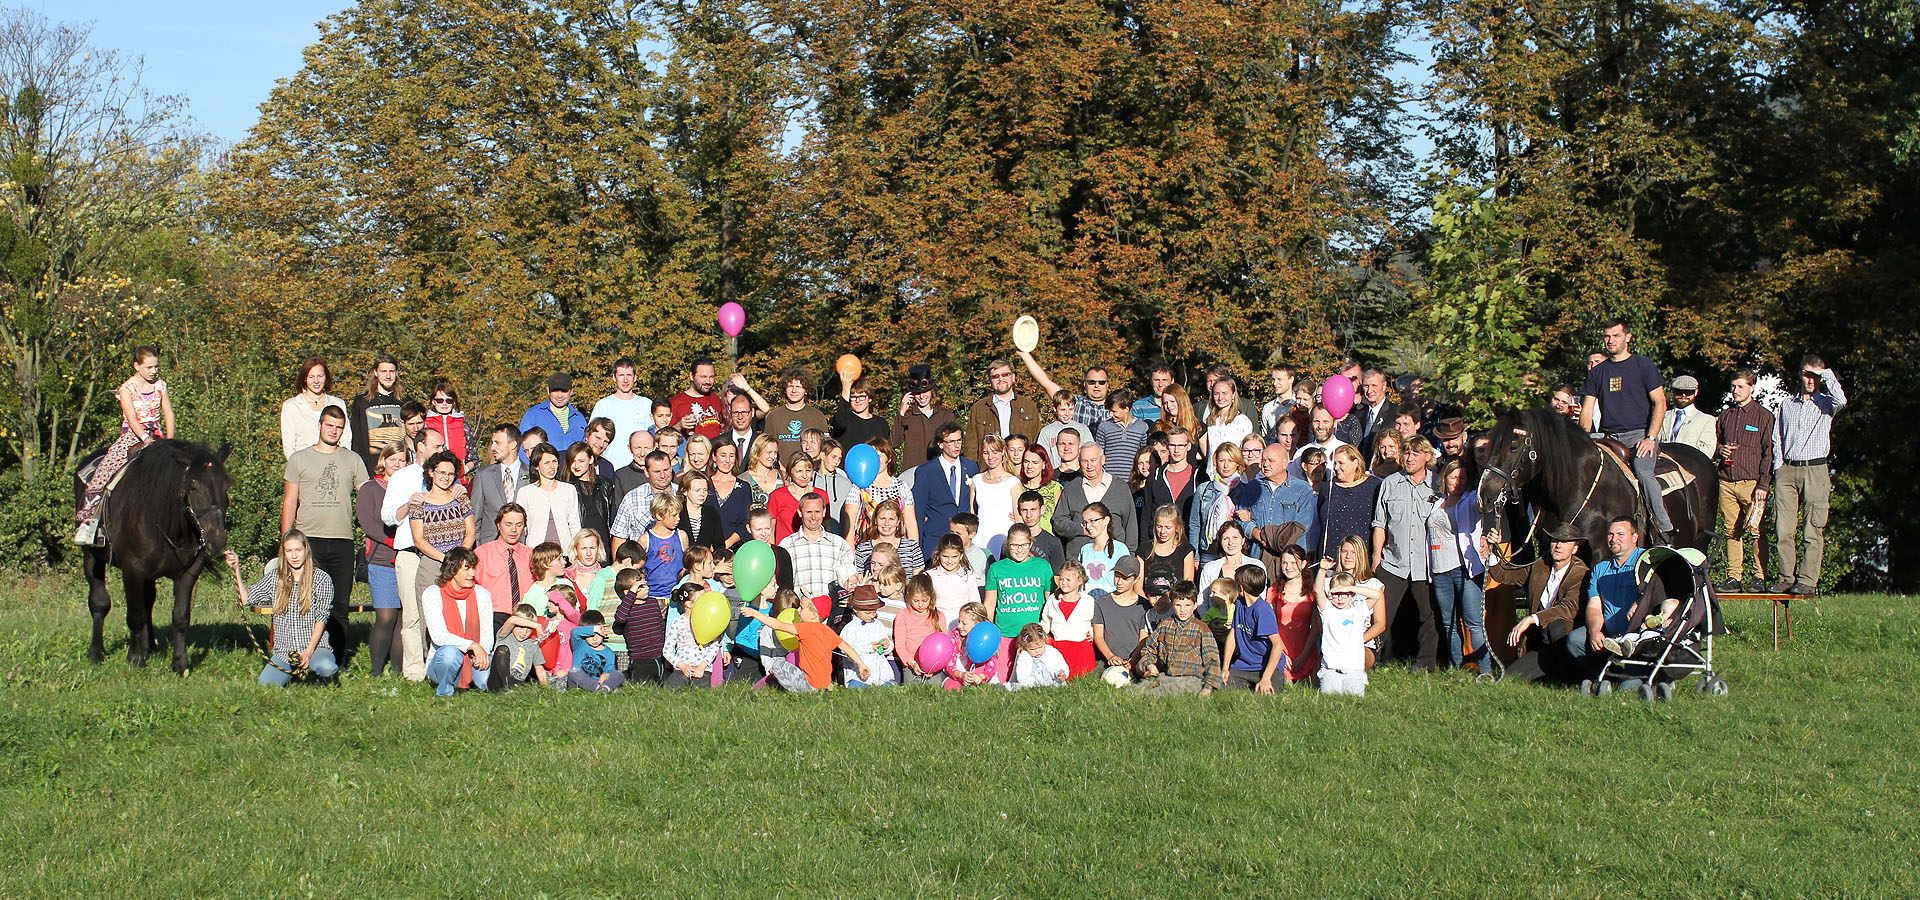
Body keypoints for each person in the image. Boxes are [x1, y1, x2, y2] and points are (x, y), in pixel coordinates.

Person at [278, 404, 367, 660]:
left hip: (342, 541)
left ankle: (335, 660)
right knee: (305, 603)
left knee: (339, 605)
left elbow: (368, 497)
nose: (333, 431)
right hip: (308, 541)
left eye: (339, 427)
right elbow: (289, 502)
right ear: (319, 425)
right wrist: (286, 542)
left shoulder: (352, 460)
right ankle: (298, 657)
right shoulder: (300, 459)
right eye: (329, 425)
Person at [1580, 318, 1674, 538]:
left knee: (1643, 472)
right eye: (1607, 336)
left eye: (1616, 336)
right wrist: (1583, 439)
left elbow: (1660, 402)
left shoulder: (1644, 366)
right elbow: (1587, 410)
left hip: (1639, 435)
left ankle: (1664, 527)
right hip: (1607, 437)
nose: (1610, 340)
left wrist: (1650, 437)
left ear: (1628, 337)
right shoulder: (1597, 372)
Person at [75, 346, 177, 544]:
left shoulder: (160, 386)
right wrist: (144, 439)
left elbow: (169, 413)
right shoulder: (126, 389)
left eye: (156, 367)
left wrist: (170, 441)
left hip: (157, 435)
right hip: (132, 436)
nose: (153, 371)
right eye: (149, 367)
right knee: (104, 469)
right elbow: (131, 418)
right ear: (136, 366)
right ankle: (88, 523)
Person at [1772, 355, 1846, 594]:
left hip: (1815, 469)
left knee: (1812, 528)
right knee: (1783, 528)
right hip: (1787, 470)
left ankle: (1807, 581)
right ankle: (1785, 577)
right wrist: (1778, 467)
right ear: (1799, 374)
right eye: (1807, 374)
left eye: (1815, 376)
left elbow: (1842, 399)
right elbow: (1777, 437)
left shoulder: (1826, 403)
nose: (1811, 380)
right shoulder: (1786, 404)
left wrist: (1825, 373)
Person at [226, 533, 340, 687]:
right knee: (265, 686)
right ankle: (294, 675)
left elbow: (321, 619)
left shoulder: (321, 579)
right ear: (283, 553)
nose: (294, 556)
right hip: (284, 653)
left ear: (306, 550)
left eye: (298, 550)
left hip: (315, 648)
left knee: (327, 668)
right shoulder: (275, 578)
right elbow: (247, 599)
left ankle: (320, 679)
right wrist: (236, 569)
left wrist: (308, 652)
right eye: (289, 551)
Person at [1481, 525, 1589, 683]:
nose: (1558, 545)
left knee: (1556, 626)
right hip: (1543, 644)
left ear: (1574, 549)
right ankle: (1551, 673)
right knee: (1511, 678)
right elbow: (1504, 574)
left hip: (1566, 642)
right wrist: (1494, 548)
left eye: (1565, 542)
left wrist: (1530, 619)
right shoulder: (1541, 565)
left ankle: (1572, 679)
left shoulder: (1581, 572)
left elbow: (1568, 609)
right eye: (1555, 540)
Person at [1372, 435, 1439, 670]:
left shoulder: (1437, 485)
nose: (1409, 458)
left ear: (1427, 457)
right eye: (1406, 453)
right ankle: (1378, 658)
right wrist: (1375, 556)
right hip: (1393, 561)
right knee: (1383, 613)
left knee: (1426, 614)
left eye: (1415, 454)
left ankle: (1425, 662)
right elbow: (1380, 523)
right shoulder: (1390, 483)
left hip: (1426, 563)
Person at [1565, 517, 1650, 679]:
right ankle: (1610, 677)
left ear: (1634, 537)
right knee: (1575, 640)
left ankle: (1641, 676)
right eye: (1610, 535)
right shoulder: (1600, 569)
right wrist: (1595, 630)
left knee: (1630, 689)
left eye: (1620, 534)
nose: (1614, 539)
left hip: (1639, 638)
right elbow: (1594, 607)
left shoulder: (1647, 562)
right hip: (1610, 636)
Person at [1715, 369, 1775, 592]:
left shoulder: (1763, 416)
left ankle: (1759, 577)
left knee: (1756, 530)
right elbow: (1715, 444)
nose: (1735, 391)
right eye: (1733, 386)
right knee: (1732, 530)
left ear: (1751, 388)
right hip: (1727, 481)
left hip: (1752, 483)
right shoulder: (1725, 415)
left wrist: (1763, 484)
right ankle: (1734, 577)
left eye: (1740, 386)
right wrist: (1720, 450)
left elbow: (1769, 452)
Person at [357, 442, 410, 677]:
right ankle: (376, 670)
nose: (397, 465)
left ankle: (398, 671)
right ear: (384, 461)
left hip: (407, 559)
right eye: (393, 459)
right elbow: (369, 525)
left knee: (402, 620)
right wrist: (393, 543)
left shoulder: (411, 488)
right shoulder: (371, 488)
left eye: (402, 460)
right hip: (381, 559)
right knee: (386, 616)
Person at [1429, 460, 1487, 672]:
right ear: (1445, 478)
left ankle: (1486, 669)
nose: (1458, 482)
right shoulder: (1437, 502)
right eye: (1454, 477)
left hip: (1464, 569)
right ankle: (1455, 667)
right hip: (1439, 569)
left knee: (1473, 623)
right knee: (1449, 623)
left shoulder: (1470, 499)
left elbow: (1483, 504)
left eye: (1463, 478)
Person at [742, 600, 872, 692]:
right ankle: (824, 688)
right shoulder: (828, 631)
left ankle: (790, 690)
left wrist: (754, 613)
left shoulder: (806, 628)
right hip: (824, 684)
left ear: (814, 615)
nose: (798, 610)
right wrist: (860, 664)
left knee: (777, 665)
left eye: (802, 608)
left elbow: (779, 625)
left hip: (808, 684)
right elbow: (847, 647)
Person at [407, 450, 478, 616]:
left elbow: (471, 532)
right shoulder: (419, 504)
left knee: (460, 616)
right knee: (431, 617)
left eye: (451, 474)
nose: (446, 477)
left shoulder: (461, 499)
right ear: (431, 473)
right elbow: (419, 540)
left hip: (461, 565)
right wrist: (445, 559)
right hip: (432, 565)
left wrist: (458, 560)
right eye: (442, 473)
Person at [421, 547, 497, 695]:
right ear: (453, 571)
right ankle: (444, 691)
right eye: (466, 569)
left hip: (474, 656)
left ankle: (478, 680)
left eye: (473, 568)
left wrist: (481, 652)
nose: (472, 574)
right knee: (450, 654)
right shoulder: (432, 594)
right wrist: (471, 645)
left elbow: (487, 633)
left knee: (487, 680)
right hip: (445, 658)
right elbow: (439, 636)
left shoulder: (482, 594)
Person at [1132, 581, 1221, 695]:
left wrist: (1208, 688)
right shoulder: (1165, 625)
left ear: (1195, 605)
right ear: (1172, 604)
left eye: (1187, 605)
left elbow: (1212, 660)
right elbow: (1148, 649)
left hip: (1192, 680)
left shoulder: (1201, 629)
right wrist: (1149, 665)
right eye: (1178, 605)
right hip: (1168, 676)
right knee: (1135, 691)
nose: (1183, 610)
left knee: (1155, 694)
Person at [1315, 535, 1387, 669]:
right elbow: (1319, 620)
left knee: (1353, 662)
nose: (1348, 556)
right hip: (1333, 642)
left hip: (1362, 643)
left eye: (1353, 552)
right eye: (1344, 551)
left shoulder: (1373, 584)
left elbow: (1380, 624)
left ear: (1360, 555)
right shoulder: (1326, 583)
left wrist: (1357, 641)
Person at [1054, 443, 1138, 555]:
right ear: (1079, 463)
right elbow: (1058, 522)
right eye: (1085, 461)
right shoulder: (1071, 489)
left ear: (1103, 460)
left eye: (1093, 460)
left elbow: (1130, 525)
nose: (1089, 466)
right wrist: (1081, 529)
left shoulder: (1121, 487)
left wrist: (1129, 556)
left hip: (1113, 557)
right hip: (1079, 560)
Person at [909, 422, 978, 547]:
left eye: (959, 440)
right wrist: (916, 546)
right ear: (940, 444)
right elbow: (918, 511)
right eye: (951, 442)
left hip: (965, 540)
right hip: (936, 538)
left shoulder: (972, 467)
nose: (956, 445)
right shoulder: (926, 471)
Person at [962, 358, 1042, 466]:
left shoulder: (1028, 406)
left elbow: (1037, 439)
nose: (1001, 379)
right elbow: (971, 446)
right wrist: (971, 471)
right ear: (990, 381)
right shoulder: (979, 408)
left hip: (1022, 469)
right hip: (989, 469)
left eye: (1005, 375)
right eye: (995, 376)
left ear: (1013, 377)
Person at [1015, 348, 1113, 433]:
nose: (1096, 385)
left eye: (1101, 382)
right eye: (1091, 382)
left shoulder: (1117, 407)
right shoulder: (1074, 402)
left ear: (1107, 385)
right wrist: (1025, 355)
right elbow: (1046, 382)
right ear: (1085, 384)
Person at [1248, 442, 1317, 560]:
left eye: (1271, 460)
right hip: (1258, 556)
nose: (1265, 464)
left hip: (1289, 559)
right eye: (1263, 460)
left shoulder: (1302, 490)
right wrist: (1257, 534)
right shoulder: (1252, 487)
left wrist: (1269, 538)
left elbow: (1301, 526)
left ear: (1285, 464)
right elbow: (1240, 519)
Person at [1220, 565, 1282, 693]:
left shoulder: (1263, 610)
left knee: (1268, 694)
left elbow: (1278, 645)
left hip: (1265, 666)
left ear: (1241, 588)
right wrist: (1225, 667)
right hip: (1243, 666)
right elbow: (1233, 635)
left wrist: (1266, 678)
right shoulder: (1239, 605)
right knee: (1220, 688)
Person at [781, 493, 854, 599]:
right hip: (799, 611)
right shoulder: (787, 545)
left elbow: (849, 580)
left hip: (832, 610)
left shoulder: (839, 544)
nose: (813, 517)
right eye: (809, 512)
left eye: (817, 512)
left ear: (824, 512)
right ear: (800, 512)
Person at [474, 505, 533, 632]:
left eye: (519, 525)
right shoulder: (482, 554)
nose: (514, 530)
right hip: (493, 617)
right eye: (508, 524)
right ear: (498, 525)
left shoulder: (531, 555)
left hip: (525, 618)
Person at [280, 357, 352, 461]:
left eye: (320, 376)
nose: (316, 381)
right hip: (304, 467)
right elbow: (289, 445)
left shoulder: (338, 403)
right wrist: (297, 468)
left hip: (333, 465)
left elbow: (346, 439)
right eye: (311, 377)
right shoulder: (291, 406)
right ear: (305, 378)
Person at [1187, 444, 1248, 565]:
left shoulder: (1245, 490)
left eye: (1230, 461)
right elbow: (1195, 524)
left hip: (1235, 552)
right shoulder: (1203, 489)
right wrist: (1195, 556)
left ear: (1237, 463)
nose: (1226, 465)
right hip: (1209, 552)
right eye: (1222, 460)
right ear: (1216, 462)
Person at [891, 364, 961, 469]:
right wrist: (901, 412)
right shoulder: (907, 416)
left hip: (940, 471)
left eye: (925, 392)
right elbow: (893, 443)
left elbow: (955, 445)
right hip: (914, 473)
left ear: (932, 391)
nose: (922, 396)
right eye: (918, 393)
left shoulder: (946, 415)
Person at [985, 524, 1052, 633]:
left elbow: (1051, 601)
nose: (1019, 550)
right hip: (1005, 633)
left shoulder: (1043, 566)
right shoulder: (996, 568)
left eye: (1024, 545)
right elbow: (990, 603)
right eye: (1014, 545)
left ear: (1031, 544)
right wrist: (989, 630)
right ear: (1007, 545)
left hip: (1035, 634)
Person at [1318, 445, 1381, 560]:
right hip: (1330, 559)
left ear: (1355, 463)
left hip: (1360, 559)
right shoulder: (1328, 487)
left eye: (1341, 463)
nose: (1336, 467)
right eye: (1334, 463)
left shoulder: (1374, 486)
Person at [1091, 558, 1150, 681]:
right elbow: (1098, 636)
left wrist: (1132, 661)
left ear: (1136, 579)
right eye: (1117, 576)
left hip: (1134, 660)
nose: (1119, 582)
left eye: (1125, 578)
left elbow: (1143, 638)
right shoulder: (1101, 602)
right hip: (1107, 659)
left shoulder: (1144, 605)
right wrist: (1110, 657)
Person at [611, 450, 677, 556]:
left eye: (666, 470)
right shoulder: (632, 498)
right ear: (646, 472)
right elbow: (619, 537)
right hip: (641, 564)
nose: (663, 475)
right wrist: (621, 569)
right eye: (657, 471)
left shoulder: (681, 495)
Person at [1268, 545, 1318, 684]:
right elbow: (1270, 626)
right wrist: (1281, 653)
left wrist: (1303, 657)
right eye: (1284, 563)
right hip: (1280, 648)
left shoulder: (1313, 592)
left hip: (1306, 649)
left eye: (1293, 563)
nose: (1288, 567)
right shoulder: (1273, 591)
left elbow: (1315, 628)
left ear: (1303, 563)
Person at [590, 358, 653, 470]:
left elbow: (655, 436)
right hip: (610, 469)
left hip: (640, 470)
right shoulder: (603, 405)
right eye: (621, 375)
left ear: (635, 377)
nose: (625, 380)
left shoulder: (646, 404)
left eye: (629, 375)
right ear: (614, 377)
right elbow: (592, 440)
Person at [1315, 573, 1371, 696]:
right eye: (1336, 594)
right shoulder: (1328, 610)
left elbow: (1376, 595)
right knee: (1330, 696)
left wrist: (1350, 588)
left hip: (1354, 670)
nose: (1340, 598)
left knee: (1354, 698)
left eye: (1345, 594)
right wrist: (1322, 569)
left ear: (1352, 595)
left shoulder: (1358, 609)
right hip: (1331, 670)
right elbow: (1318, 590)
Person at [349, 352, 406, 472]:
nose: (388, 376)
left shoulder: (406, 402)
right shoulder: (362, 402)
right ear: (376, 373)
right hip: (371, 469)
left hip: (401, 469)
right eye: (384, 371)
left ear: (396, 373)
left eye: (392, 371)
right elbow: (357, 441)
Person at [472, 424, 527, 545]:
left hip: (523, 544)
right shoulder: (483, 475)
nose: (493, 447)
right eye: (492, 442)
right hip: (489, 544)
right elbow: (475, 516)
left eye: (497, 443)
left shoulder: (531, 474)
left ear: (513, 444)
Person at [969, 434, 1021, 554]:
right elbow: (972, 514)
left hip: (1003, 535)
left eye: (995, 452)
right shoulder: (976, 480)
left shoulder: (1013, 482)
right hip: (980, 537)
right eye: (986, 453)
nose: (990, 457)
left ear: (1003, 452)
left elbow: (1019, 519)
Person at [836, 586, 897, 687]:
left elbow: (886, 649)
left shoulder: (878, 625)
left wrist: (887, 645)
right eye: (868, 613)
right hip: (858, 676)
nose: (872, 615)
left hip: (881, 673)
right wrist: (869, 647)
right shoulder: (850, 629)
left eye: (874, 612)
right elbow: (846, 653)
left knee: (890, 690)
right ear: (855, 609)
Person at [762, 367, 830, 452]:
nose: (794, 390)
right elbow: (766, 447)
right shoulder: (773, 416)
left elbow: (826, 447)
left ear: (806, 391)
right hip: (780, 465)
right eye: (790, 386)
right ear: (785, 389)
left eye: (798, 387)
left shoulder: (817, 416)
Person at [893, 574, 945, 684]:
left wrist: (934, 665)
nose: (920, 605)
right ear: (908, 596)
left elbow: (943, 644)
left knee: (934, 695)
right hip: (910, 665)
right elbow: (900, 645)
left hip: (934, 667)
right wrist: (911, 662)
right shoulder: (903, 615)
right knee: (912, 695)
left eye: (925, 600)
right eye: (916, 601)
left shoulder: (939, 616)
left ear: (931, 596)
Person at [1144, 426, 1199, 528]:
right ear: (1168, 446)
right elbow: (1146, 515)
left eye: (1181, 445)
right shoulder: (1155, 477)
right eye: (1172, 445)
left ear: (1189, 446)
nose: (1176, 450)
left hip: (1188, 539)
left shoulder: (1199, 476)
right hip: (1159, 539)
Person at [767, 452, 827, 543]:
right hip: (785, 550)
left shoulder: (820, 495)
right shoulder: (777, 496)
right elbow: (770, 531)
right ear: (790, 471)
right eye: (799, 471)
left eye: (808, 471)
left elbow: (827, 526)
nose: (804, 476)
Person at [564, 442, 616, 548]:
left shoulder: (605, 484)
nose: (576, 466)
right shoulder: (567, 488)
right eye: (572, 461)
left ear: (591, 459)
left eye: (581, 461)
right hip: (581, 545)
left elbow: (612, 517)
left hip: (603, 544)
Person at [1337, 368, 1398, 459]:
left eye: (1374, 386)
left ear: (1384, 386)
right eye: (1366, 386)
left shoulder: (1394, 413)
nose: (1369, 391)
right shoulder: (1357, 412)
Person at [854, 499, 925, 574]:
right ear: (875, 520)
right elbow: (859, 579)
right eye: (882, 519)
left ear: (898, 522)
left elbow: (917, 580)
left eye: (891, 519)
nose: (886, 523)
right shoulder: (862, 549)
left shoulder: (912, 547)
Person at [942, 602, 1002, 689]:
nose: (959, 626)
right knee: (951, 686)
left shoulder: (986, 638)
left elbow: (991, 667)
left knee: (990, 686)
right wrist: (961, 675)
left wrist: (981, 677)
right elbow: (949, 664)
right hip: (959, 675)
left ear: (977, 624)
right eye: (959, 621)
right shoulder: (955, 636)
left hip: (980, 675)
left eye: (964, 623)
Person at [1142, 506, 1197, 599]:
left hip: (1175, 604)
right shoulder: (1144, 549)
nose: (1162, 531)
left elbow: (1188, 585)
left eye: (1168, 527)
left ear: (1177, 527)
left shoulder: (1185, 550)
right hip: (1149, 603)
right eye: (1159, 527)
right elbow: (1138, 587)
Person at [491, 604, 552, 689]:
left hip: (517, 682)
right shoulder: (504, 636)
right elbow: (512, 620)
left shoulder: (533, 645)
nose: (524, 633)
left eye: (529, 629)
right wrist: (536, 625)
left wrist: (546, 689)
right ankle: (507, 688)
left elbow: (540, 670)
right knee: (503, 649)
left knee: (528, 688)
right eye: (521, 627)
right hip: (497, 681)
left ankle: (511, 689)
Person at [1075, 501, 1129, 594]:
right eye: (1085, 522)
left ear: (1106, 520)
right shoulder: (1085, 549)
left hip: (1109, 604)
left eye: (1092, 521)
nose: (1088, 526)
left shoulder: (1120, 549)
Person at [562, 611, 624, 692]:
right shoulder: (580, 644)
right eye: (590, 635)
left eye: (597, 634)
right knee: (574, 671)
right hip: (579, 683)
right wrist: (596, 629)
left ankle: (605, 688)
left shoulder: (609, 652)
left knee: (618, 674)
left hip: (600, 680)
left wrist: (607, 673)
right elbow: (575, 632)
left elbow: (610, 667)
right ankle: (602, 688)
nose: (594, 639)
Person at [669, 358, 727, 441]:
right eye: (703, 377)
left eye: (711, 377)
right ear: (691, 376)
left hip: (714, 452)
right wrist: (679, 426)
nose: (708, 381)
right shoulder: (676, 402)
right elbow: (664, 435)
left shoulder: (716, 399)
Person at [1201, 376, 1255, 465]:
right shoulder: (1211, 420)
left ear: (1233, 395)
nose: (1220, 397)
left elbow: (1245, 452)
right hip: (1212, 474)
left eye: (1225, 393)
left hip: (1233, 474)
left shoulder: (1242, 421)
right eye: (1216, 394)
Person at [1660, 375, 1717, 457]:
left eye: (1688, 392)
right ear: (1673, 391)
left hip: (1689, 466)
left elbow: (1707, 450)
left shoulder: (1706, 420)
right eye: (1679, 391)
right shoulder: (1661, 416)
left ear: (1696, 392)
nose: (1683, 395)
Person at [1098, 391, 1152, 477]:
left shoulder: (1142, 427)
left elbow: (1144, 453)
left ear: (1126, 409)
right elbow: (1099, 453)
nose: (1111, 414)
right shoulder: (1104, 427)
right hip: (1110, 478)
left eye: (1114, 411)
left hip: (1133, 479)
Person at [830, 375, 890, 450]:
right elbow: (839, 422)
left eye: (862, 396)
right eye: (853, 397)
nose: (857, 400)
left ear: (870, 398)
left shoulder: (881, 424)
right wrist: (845, 388)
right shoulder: (845, 420)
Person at [1036, 391, 1095, 466]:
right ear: (1055, 409)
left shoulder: (1083, 429)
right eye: (1063, 410)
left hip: (1078, 473)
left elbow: (1091, 452)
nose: (1067, 414)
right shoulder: (1047, 431)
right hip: (1055, 473)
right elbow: (1042, 456)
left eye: (1071, 409)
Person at [1006, 623, 1071, 689]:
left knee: (1059, 686)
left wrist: (1061, 673)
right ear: (1025, 646)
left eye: (1040, 647)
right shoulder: (1024, 656)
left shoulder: (1051, 651)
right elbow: (1022, 676)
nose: (1037, 651)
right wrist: (1032, 684)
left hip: (1052, 681)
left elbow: (1059, 664)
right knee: (1016, 687)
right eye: (1033, 649)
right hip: (1032, 684)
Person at [1261, 364, 1297, 442]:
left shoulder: (1299, 405)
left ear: (1291, 379)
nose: (1274, 383)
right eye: (1273, 379)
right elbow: (1265, 437)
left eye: (1279, 379)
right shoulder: (1268, 408)